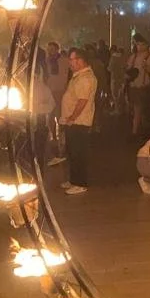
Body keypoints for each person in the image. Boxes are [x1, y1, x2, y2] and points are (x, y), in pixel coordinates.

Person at [59, 48, 97, 195]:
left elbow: (82, 101)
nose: (70, 63)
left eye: (72, 60)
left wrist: (72, 117)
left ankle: (80, 183)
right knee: (72, 152)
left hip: (79, 122)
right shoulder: (78, 76)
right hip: (72, 122)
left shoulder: (86, 78)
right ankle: (73, 180)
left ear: (81, 61)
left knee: (78, 153)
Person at [126, 40, 150, 138]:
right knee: (137, 109)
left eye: (140, 44)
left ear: (146, 45)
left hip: (143, 88)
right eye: (137, 44)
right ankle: (144, 127)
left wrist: (147, 68)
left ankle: (135, 131)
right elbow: (127, 69)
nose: (138, 46)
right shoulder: (133, 57)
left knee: (138, 109)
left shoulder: (149, 57)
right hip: (133, 86)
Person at [45, 42, 70, 165]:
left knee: (60, 115)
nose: (50, 51)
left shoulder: (64, 61)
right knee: (50, 115)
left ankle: (62, 138)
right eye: (49, 49)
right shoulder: (46, 61)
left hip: (61, 91)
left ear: (57, 49)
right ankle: (53, 137)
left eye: (52, 49)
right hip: (49, 91)